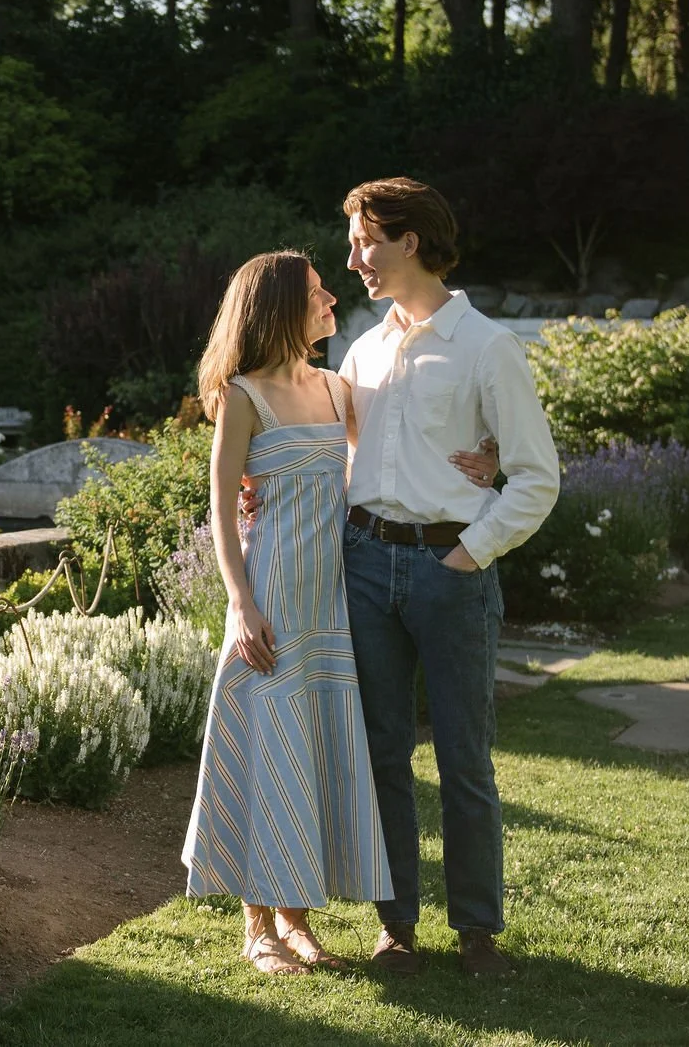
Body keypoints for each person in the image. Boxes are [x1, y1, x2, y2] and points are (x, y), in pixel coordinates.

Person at [182, 250, 497, 976]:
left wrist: (490, 453)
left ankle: (295, 921)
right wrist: (241, 603)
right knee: (268, 745)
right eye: (318, 293)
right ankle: (257, 927)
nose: (331, 302)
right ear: (280, 308)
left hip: (334, 599)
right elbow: (222, 507)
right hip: (270, 599)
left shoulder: (335, 386)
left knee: (309, 751)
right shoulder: (242, 395)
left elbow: (394, 453)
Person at [336, 177, 559, 979]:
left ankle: (476, 931)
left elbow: (537, 477)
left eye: (366, 241)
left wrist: (468, 551)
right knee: (383, 753)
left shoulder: (487, 347)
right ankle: (396, 926)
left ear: (411, 242)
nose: (354, 259)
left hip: (449, 568)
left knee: (465, 758)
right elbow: (340, 454)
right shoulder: (361, 349)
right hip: (366, 564)